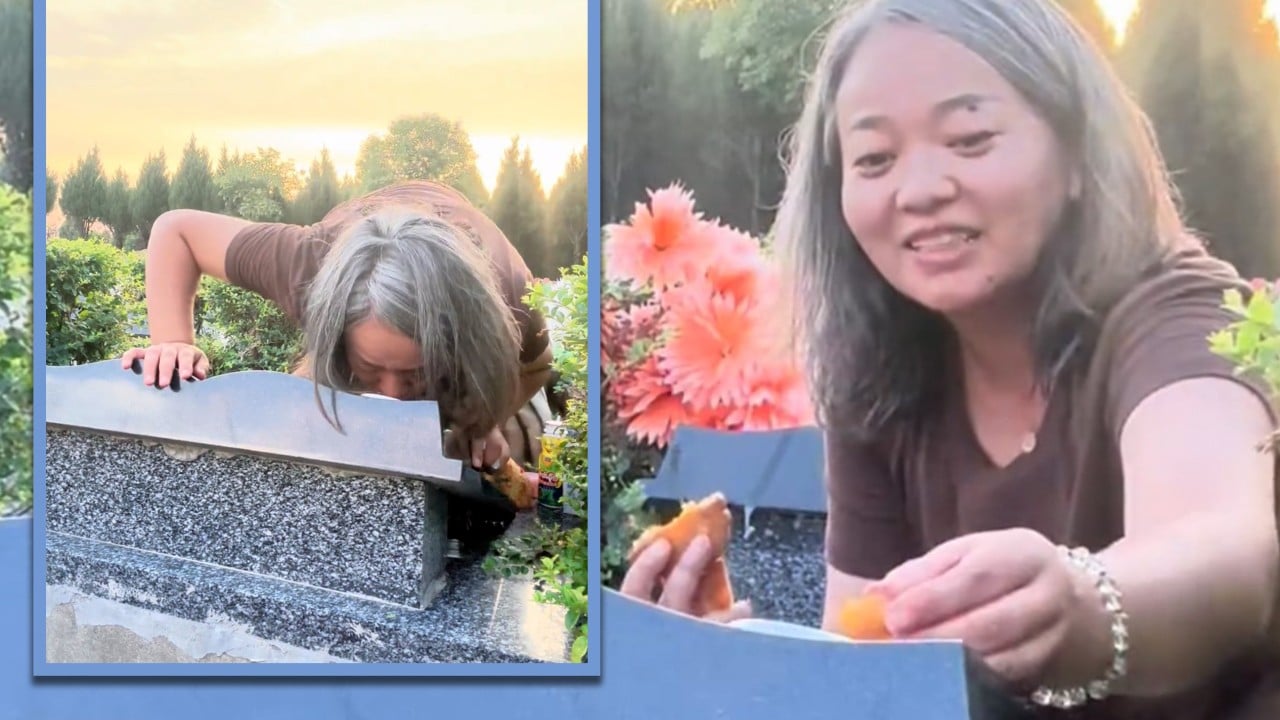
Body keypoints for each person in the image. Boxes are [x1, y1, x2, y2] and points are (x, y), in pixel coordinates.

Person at [620, 0, 1280, 717]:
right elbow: (868, 664)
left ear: (1078, 159)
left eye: (970, 138)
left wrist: (1084, 605)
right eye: (874, 158)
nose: (921, 190)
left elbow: (1222, 545)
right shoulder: (879, 378)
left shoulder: (1176, 313)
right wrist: (727, 669)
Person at [121, 179, 556, 484]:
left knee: (485, 454)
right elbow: (176, 230)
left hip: (468, 345)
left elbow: (536, 368)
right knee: (296, 443)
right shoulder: (306, 260)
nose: (391, 395)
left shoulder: (510, 293)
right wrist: (173, 341)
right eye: (371, 367)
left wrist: (482, 421)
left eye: (412, 374)